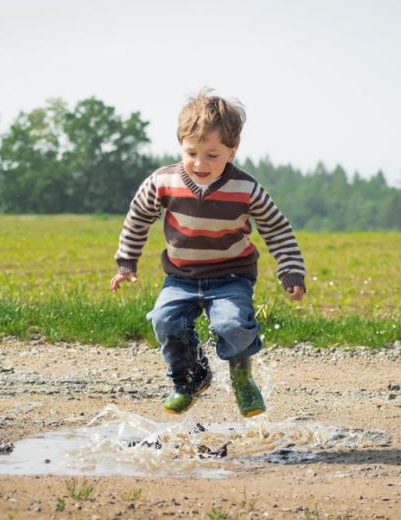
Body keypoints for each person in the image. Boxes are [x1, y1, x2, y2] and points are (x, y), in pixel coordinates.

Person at [110, 88, 306, 417]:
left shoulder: (247, 189)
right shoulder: (163, 181)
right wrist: (126, 261)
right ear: (181, 145)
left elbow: (277, 228)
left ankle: (241, 375)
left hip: (232, 276)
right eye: (192, 153)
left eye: (212, 155)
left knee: (231, 325)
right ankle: (191, 378)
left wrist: (290, 270)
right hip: (181, 276)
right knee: (165, 320)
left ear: (232, 151)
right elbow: (138, 217)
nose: (200, 163)